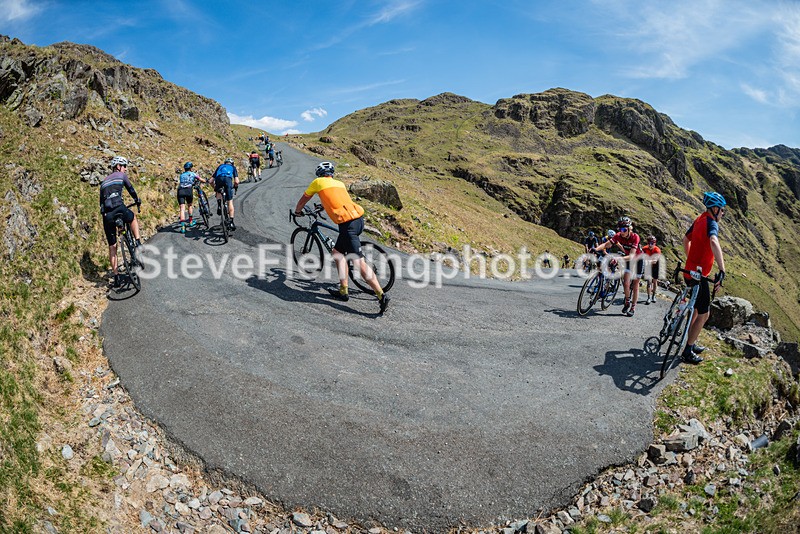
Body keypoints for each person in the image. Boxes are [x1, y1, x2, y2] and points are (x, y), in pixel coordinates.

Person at [294, 161, 390, 314]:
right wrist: (323, 206)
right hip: (358, 220)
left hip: (348, 225)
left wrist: (298, 211)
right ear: (331, 174)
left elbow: (304, 199)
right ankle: (343, 290)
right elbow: (337, 199)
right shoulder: (339, 184)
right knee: (337, 253)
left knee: (358, 262)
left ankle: (381, 295)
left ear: (319, 174)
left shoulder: (317, 182)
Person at [680, 192, 727, 364]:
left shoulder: (699, 219)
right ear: (715, 209)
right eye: (722, 210)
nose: (723, 213)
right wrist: (722, 270)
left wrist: (691, 260)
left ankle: (689, 340)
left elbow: (685, 240)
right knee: (704, 314)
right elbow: (714, 241)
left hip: (688, 272)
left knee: (695, 309)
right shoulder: (711, 223)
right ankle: (687, 350)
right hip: (699, 277)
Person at [100, 156, 141, 288]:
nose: (125, 169)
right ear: (118, 166)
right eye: (124, 166)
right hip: (119, 208)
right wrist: (137, 200)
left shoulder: (103, 182)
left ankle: (116, 277)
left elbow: (101, 205)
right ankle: (138, 243)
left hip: (107, 215)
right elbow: (131, 189)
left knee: (112, 246)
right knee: (132, 217)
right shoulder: (121, 176)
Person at [593, 216, 643, 317]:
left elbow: (632, 256)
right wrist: (596, 249)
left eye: (624, 229)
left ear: (629, 229)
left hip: (638, 259)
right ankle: (627, 302)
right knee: (626, 283)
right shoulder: (618, 236)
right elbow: (606, 244)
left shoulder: (635, 237)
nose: (622, 232)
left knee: (635, 285)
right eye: (620, 229)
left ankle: (633, 307)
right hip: (628, 259)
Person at [211, 157, 238, 230]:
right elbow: (236, 181)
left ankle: (219, 205)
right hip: (227, 180)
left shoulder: (220, 166)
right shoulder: (233, 167)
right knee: (230, 202)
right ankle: (231, 222)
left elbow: (211, 181)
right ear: (232, 163)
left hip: (219, 179)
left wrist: (215, 188)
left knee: (218, 191)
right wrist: (235, 186)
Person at [177, 162, 200, 234]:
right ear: (190, 168)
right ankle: (190, 222)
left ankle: (183, 227)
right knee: (189, 205)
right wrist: (206, 181)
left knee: (182, 208)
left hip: (180, 191)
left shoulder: (181, 175)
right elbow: (200, 179)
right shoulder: (192, 174)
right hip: (188, 190)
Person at [641, 235, 662, 304]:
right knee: (649, 282)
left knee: (655, 281)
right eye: (649, 243)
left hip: (655, 265)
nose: (650, 245)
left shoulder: (657, 250)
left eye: (652, 243)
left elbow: (655, 261)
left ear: (655, 243)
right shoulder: (645, 248)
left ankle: (654, 295)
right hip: (648, 266)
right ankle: (649, 297)